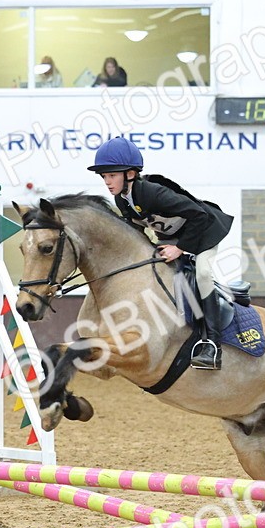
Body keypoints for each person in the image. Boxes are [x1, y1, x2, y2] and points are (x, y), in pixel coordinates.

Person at [88, 137, 233, 370]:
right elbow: (135, 231)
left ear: (131, 174)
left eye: (112, 175)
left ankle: (212, 344)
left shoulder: (153, 193)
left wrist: (180, 248)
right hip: (172, 238)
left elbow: (198, 215)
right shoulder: (122, 200)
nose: (107, 181)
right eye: (104, 176)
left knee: (203, 274)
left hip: (203, 232)